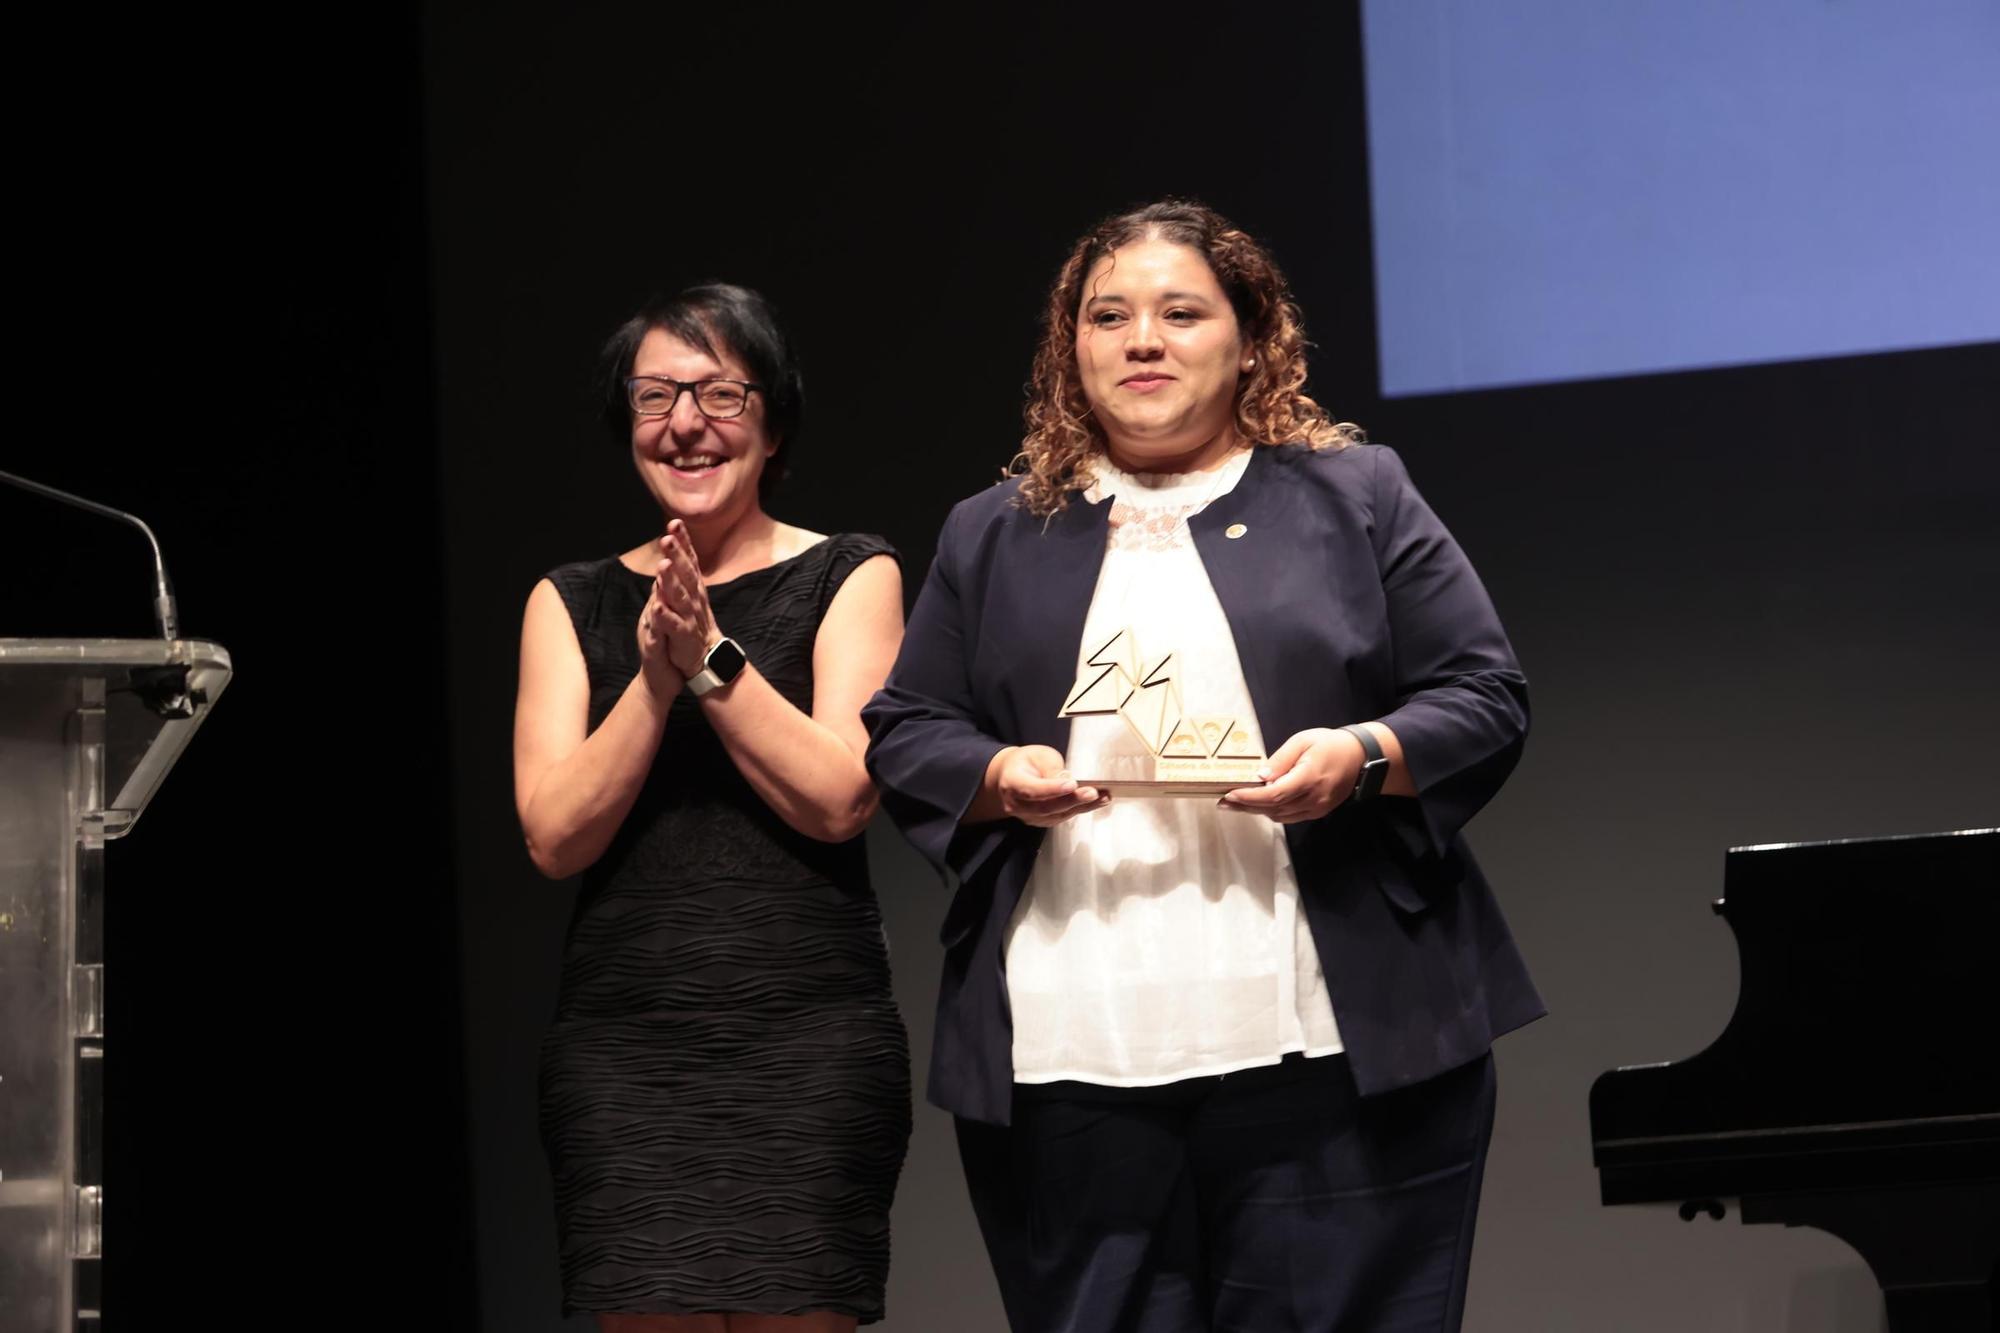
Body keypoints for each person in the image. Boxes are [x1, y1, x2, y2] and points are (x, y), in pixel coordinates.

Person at [863, 201, 1544, 1333]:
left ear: (1249, 337)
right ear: (1068, 347)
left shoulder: (1354, 494)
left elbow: (1483, 694)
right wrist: (997, 774)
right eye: (1108, 315)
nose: (1141, 341)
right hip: (1072, 1040)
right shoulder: (993, 530)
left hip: (1330, 1039)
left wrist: (1363, 755)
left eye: (1180, 313)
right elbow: (905, 726)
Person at [514, 283, 911, 1332]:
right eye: (655, 396)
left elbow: (839, 798)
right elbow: (553, 835)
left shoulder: (850, 572)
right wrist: (653, 676)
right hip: (624, 1050)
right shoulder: (570, 600)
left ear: (772, 423)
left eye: (719, 394)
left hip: (807, 1041)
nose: (685, 422)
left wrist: (708, 660)